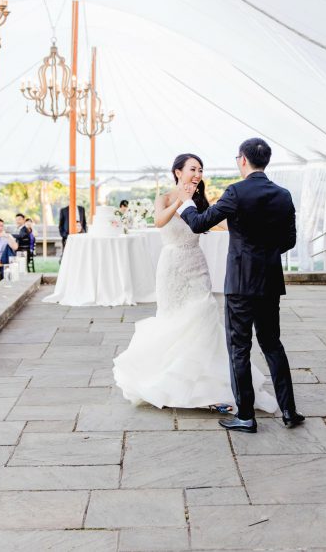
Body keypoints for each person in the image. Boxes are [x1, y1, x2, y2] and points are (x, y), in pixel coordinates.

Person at [113, 153, 278, 417]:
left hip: (197, 265)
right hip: (171, 266)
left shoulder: (201, 201)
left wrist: (244, 224)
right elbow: (159, 221)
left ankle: (210, 388)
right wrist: (181, 199)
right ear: (178, 172)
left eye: (200, 169)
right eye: (193, 169)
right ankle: (168, 382)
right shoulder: (164, 198)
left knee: (204, 316)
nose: (197, 174)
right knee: (172, 319)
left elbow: (218, 221)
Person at [176, 138, 301, 433]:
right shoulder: (283, 195)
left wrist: (185, 204)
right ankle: (289, 410)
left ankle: (245, 415)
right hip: (270, 281)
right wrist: (265, 253)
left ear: (242, 160)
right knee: (272, 344)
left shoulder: (236, 192)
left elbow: (199, 222)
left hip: (241, 284)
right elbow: (289, 241)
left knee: (239, 348)